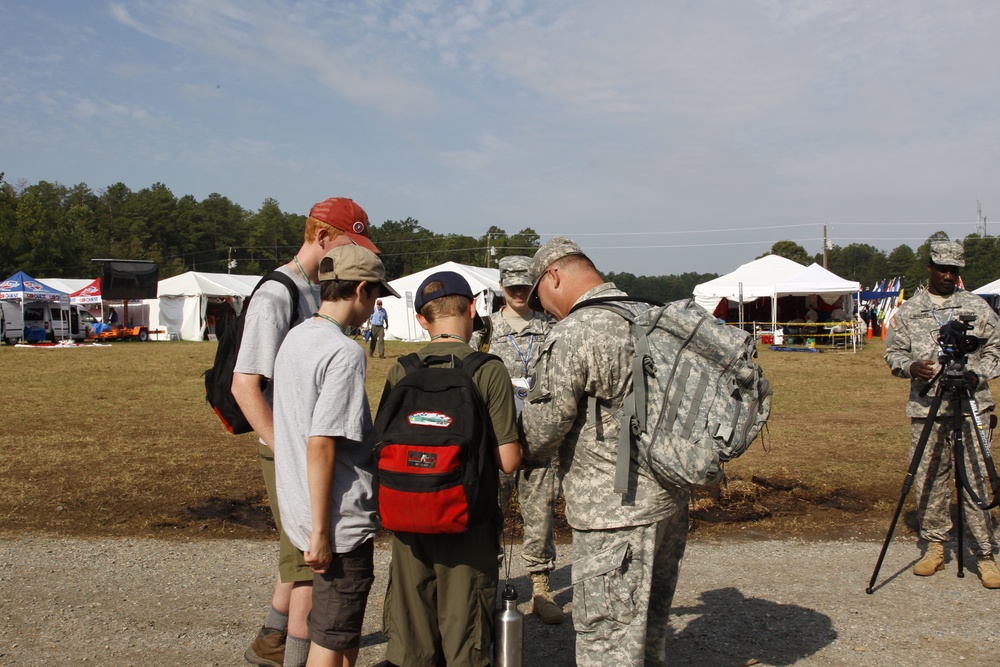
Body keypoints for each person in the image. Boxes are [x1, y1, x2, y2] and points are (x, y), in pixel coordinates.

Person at [519, 237, 689, 667]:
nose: (543, 308)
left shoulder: (577, 331)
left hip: (614, 514)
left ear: (553, 276)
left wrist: (513, 445)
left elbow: (543, 430)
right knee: (649, 635)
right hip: (670, 502)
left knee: (608, 644)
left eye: (539, 295)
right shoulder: (650, 313)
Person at [232, 197, 380, 667]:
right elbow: (245, 384)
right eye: (346, 242)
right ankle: (285, 652)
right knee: (309, 569)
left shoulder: (313, 302)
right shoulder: (279, 293)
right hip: (301, 454)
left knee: (303, 569)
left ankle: (276, 641)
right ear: (321, 238)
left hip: (306, 450)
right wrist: (287, 448)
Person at [379, 271, 521, 667]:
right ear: (473, 309)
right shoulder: (487, 370)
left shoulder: (402, 370)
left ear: (422, 319)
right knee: (465, 634)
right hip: (466, 518)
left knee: (412, 637)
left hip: (406, 514)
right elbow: (507, 460)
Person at [273, 244, 400, 667]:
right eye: (376, 295)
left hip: (304, 513)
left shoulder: (296, 337)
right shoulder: (344, 353)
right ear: (361, 289)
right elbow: (322, 443)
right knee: (328, 642)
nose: (375, 305)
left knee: (341, 631)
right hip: (337, 526)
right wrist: (323, 534)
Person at [885, 239, 1000, 589]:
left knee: (977, 478)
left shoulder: (976, 306)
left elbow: (996, 348)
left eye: (955, 270)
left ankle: (985, 554)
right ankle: (935, 546)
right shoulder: (910, 310)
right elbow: (893, 353)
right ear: (930, 268)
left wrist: (977, 373)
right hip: (927, 408)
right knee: (929, 476)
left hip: (970, 406)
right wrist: (910, 367)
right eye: (943, 269)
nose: (949, 275)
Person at [469, 255, 564, 624]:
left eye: (526, 286)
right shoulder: (486, 329)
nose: (519, 292)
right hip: (497, 439)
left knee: (540, 516)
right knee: (489, 513)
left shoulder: (552, 327)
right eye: (512, 286)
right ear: (502, 287)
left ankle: (541, 590)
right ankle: (485, 589)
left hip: (540, 439)